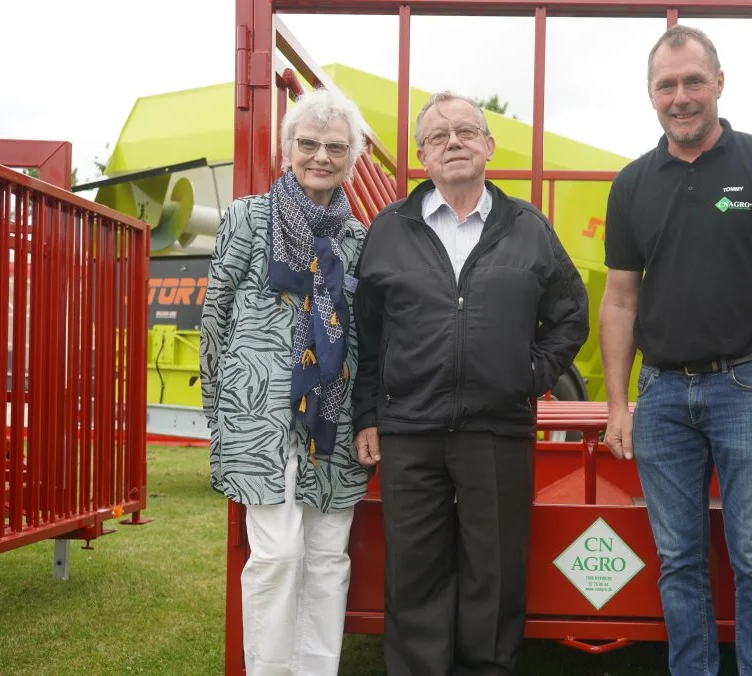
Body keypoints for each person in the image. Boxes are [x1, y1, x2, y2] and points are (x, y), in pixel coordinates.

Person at [599, 25, 752, 676]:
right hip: (663, 396)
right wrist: (619, 405)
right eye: (667, 85)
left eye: (694, 80)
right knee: (678, 560)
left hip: (750, 388)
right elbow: (619, 301)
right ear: (650, 94)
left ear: (719, 83)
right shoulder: (633, 185)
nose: (681, 96)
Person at [352, 91, 589, 676]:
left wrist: (528, 375)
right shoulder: (389, 230)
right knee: (414, 572)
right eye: (438, 136)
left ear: (489, 145)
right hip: (410, 430)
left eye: (465, 131)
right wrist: (366, 414)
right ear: (422, 157)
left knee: (496, 571)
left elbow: (570, 314)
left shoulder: (528, 227)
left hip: (497, 427)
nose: (453, 142)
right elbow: (368, 335)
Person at [200, 87, 371, 676]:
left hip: (336, 415)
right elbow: (215, 316)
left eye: (335, 147)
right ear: (286, 149)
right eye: (308, 143)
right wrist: (217, 412)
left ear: (352, 157)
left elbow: (367, 335)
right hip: (259, 414)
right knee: (276, 555)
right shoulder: (247, 217)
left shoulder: (360, 238)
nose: (321, 156)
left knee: (328, 557)